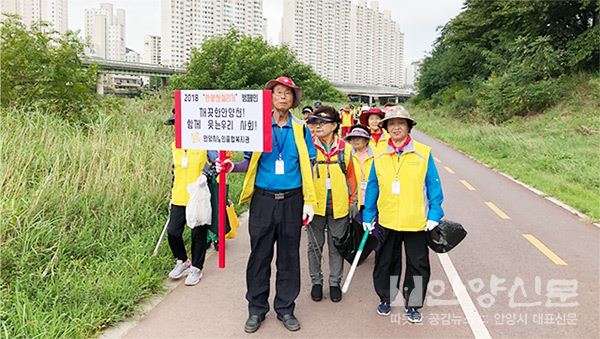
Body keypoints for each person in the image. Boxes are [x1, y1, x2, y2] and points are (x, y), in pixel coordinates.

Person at [217, 76, 316, 333]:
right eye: (278, 92)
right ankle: (256, 309)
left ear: (294, 100)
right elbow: (247, 162)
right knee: (259, 256)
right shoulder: (257, 126)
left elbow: (309, 165)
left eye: (288, 93)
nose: (282, 96)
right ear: (270, 97)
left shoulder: (301, 129)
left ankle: (285, 308)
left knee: (289, 258)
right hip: (263, 201)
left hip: (292, 201)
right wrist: (230, 166)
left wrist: (309, 201)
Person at [362, 105, 444, 323]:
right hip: (387, 219)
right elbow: (372, 186)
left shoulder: (423, 152)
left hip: (416, 220)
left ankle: (413, 304)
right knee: (386, 261)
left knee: (418, 264)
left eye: (400, 123)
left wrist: (435, 213)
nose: (396, 127)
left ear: (408, 126)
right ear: (386, 128)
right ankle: (386, 298)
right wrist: (367, 215)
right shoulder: (379, 155)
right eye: (391, 124)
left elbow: (433, 185)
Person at [305, 106, 357, 303]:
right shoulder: (308, 147)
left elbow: (352, 178)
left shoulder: (346, 149)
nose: (317, 126)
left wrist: (353, 202)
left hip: (339, 207)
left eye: (323, 122)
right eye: (315, 122)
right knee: (314, 247)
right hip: (314, 207)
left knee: (337, 247)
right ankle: (316, 282)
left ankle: (334, 283)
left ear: (335, 125)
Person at [163, 111, 217, 286]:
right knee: (173, 232)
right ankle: (182, 260)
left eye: (179, 124)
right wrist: (171, 195)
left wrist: (206, 175)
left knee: (198, 233)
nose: (176, 128)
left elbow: (217, 163)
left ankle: (196, 268)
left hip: (198, 194)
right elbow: (175, 171)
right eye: (174, 125)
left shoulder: (203, 142)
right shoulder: (174, 146)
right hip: (179, 195)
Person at [344, 124, 374, 208]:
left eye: (359, 138)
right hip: (353, 201)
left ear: (366, 140)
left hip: (372, 201)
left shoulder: (376, 156)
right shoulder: (346, 156)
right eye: (353, 138)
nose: (355, 140)